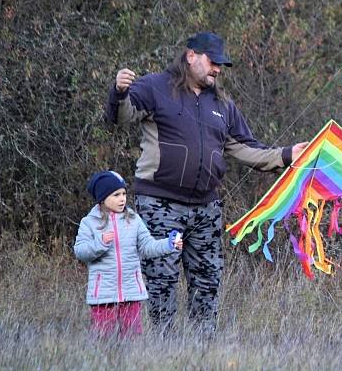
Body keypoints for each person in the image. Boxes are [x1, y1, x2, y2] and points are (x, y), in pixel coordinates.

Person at [105, 31, 307, 336]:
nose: (217, 70)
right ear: (191, 56)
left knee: (208, 281)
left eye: (221, 65)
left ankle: (202, 349)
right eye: (213, 62)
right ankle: (164, 350)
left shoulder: (223, 104)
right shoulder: (154, 87)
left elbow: (246, 147)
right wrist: (119, 93)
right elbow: (121, 117)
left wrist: (287, 155)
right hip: (160, 204)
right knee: (161, 281)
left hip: (205, 209)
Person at [74, 170, 183, 338]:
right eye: (116, 194)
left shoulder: (134, 220)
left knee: (132, 336)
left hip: (131, 291)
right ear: (102, 198)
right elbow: (80, 251)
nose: (122, 198)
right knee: (103, 337)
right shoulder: (89, 223)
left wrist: (169, 244)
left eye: (124, 193)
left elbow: (148, 246)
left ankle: (131, 363)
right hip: (103, 294)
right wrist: (100, 244)